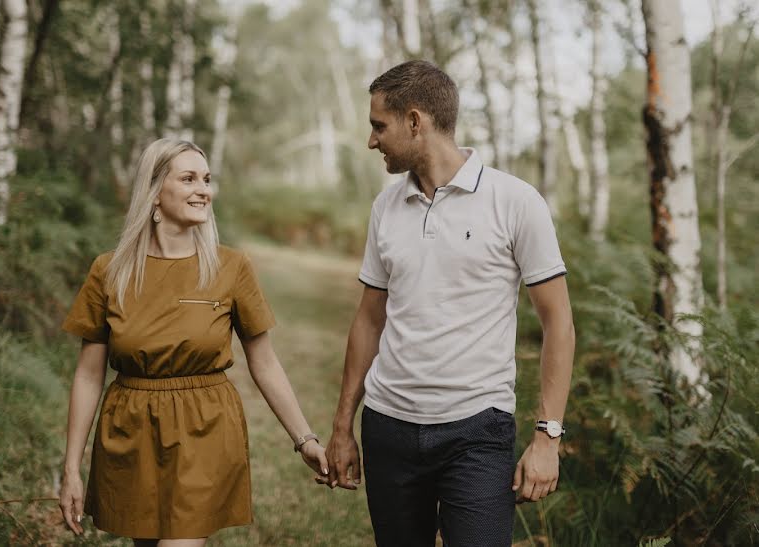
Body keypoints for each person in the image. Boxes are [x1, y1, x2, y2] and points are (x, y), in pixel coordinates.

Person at [322, 60, 575, 547]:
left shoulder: (516, 201)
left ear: (415, 121)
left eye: (379, 126)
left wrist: (547, 438)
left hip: (477, 431)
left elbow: (558, 323)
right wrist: (342, 427)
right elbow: (369, 320)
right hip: (388, 426)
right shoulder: (385, 208)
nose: (372, 140)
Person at [58, 138, 328, 546]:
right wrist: (71, 468)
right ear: (154, 192)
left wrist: (304, 438)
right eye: (188, 179)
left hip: (205, 426)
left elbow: (265, 363)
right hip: (130, 430)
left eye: (206, 179)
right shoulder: (109, 271)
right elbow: (88, 375)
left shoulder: (231, 267)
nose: (204, 190)